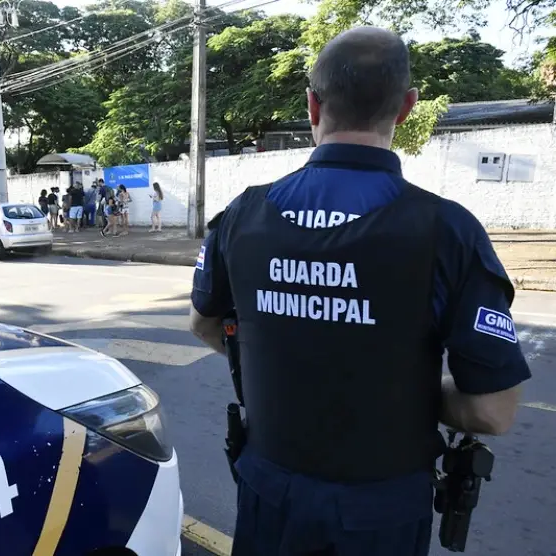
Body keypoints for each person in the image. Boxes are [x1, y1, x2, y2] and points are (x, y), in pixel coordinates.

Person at [189, 27, 531, 556]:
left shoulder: (242, 215)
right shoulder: (447, 230)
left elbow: (204, 324)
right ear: (407, 108)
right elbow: (493, 411)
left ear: (312, 105)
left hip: (268, 498)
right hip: (380, 516)